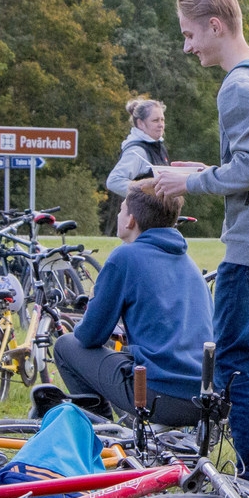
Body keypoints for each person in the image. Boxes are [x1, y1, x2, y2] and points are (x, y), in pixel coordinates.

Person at [152, 0, 249, 491]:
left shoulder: (238, 86)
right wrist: (208, 169)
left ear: (215, 26)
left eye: (190, 34)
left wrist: (189, 182)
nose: (187, 46)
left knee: (233, 362)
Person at [52, 179, 208, 424]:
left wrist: (94, 302)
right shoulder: (189, 264)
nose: (118, 214)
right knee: (124, 355)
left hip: (161, 396)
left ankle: (101, 433)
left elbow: (89, 336)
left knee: (66, 345)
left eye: (121, 209)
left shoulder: (125, 257)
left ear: (131, 220)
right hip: (203, 397)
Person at [105, 97, 169, 206]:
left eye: (162, 119)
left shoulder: (157, 145)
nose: (161, 125)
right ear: (140, 123)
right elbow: (113, 181)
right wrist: (145, 192)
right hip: (140, 218)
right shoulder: (137, 151)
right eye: (155, 120)